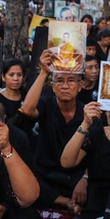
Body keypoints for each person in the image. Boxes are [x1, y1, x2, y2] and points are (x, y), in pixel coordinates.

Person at [22, 49, 86, 209]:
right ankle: (64, 201)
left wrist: (85, 178)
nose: (65, 86)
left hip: (75, 175)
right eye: (59, 81)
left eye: (71, 81)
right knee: (26, 180)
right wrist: (44, 72)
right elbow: (27, 110)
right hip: (45, 174)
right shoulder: (46, 105)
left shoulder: (87, 114)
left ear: (80, 86)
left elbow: (96, 150)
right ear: (53, 86)